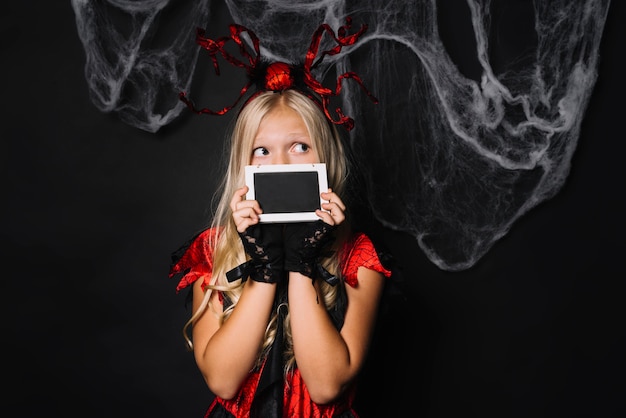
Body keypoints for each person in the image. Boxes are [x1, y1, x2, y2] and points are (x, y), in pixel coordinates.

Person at [169, 21, 392, 418]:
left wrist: (301, 263)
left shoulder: (359, 257)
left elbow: (326, 387)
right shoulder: (213, 250)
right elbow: (222, 380)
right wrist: (265, 268)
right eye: (262, 151)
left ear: (324, 157)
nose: (282, 164)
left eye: (300, 146)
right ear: (244, 164)